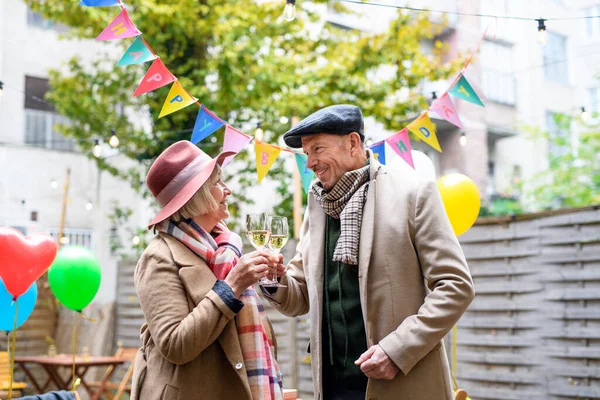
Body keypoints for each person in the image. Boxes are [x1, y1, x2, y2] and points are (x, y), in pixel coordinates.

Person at [263, 105, 475, 400]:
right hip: (333, 387)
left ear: (352, 142)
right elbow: (298, 298)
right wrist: (272, 279)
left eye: (317, 149)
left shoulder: (413, 194)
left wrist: (397, 350)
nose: (309, 162)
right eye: (306, 153)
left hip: (403, 383)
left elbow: (456, 287)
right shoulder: (318, 205)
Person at [131, 140, 284, 400]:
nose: (229, 190)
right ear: (196, 196)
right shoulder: (158, 257)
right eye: (218, 184)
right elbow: (175, 345)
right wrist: (232, 286)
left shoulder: (225, 250)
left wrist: (272, 279)